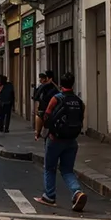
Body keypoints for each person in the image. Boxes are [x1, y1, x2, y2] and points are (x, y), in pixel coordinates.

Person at [34, 72, 88, 212]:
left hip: (55, 139)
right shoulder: (79, 101)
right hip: (71, 141)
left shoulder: (56, 99)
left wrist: (39, 132)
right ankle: (77, 192)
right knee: (67, 170)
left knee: (50, 168)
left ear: (61, 83)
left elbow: (45, 116)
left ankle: (49, 196)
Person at [34, 71, 59, 138]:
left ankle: (38, 133)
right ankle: (38, 133)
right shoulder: (44, 86)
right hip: (47, 108)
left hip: (48, 108)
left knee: (40, 115)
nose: (40, 80)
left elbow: (36, 96)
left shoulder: (50, 86)